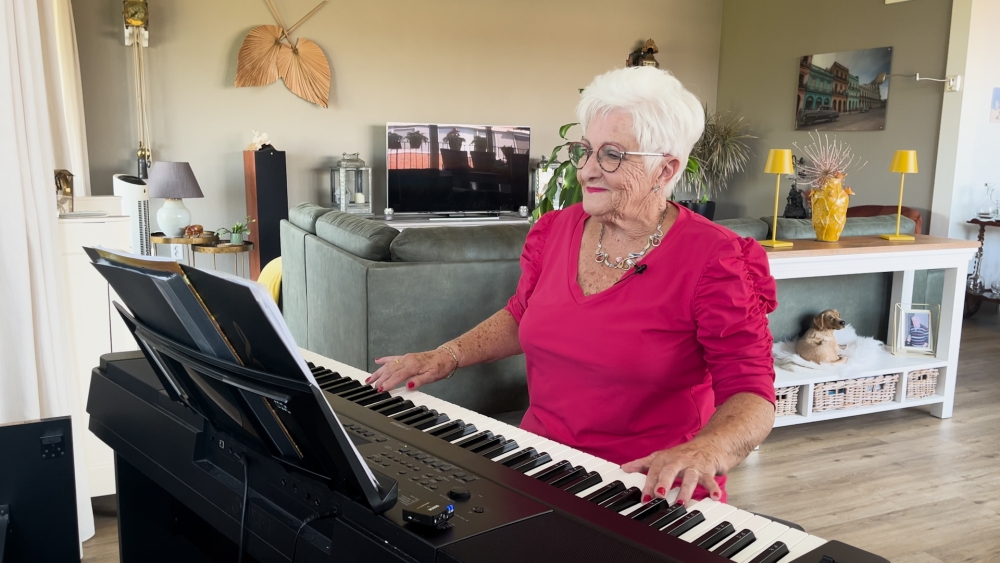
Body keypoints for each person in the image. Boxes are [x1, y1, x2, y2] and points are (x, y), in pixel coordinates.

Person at [366, 66, 778, 506]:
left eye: (612, 155)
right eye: (585, 150)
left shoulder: (716, 259)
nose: (587, 171)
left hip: (648, 486)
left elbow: (751, 392)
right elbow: (523, 314)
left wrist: (709, 448)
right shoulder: (555, 230)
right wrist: (446, 355)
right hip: (539, 465)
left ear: (665, 170)